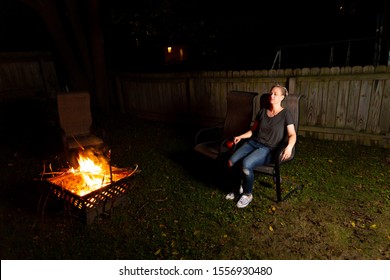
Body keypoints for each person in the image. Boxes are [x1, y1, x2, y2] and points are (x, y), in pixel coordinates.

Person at [225, 84, 296, 208]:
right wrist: (241, 136)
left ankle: (247, 194)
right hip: (254, 143)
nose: (272, 96)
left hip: (269, 148)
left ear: (282, 98)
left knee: (246, 165)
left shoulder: (286, 114)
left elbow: (292, 134)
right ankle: (237, 188)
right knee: (231, 161)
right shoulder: (262, 111)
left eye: (275, 94)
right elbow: (253, 131)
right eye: (271, 93)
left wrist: (289, 147)